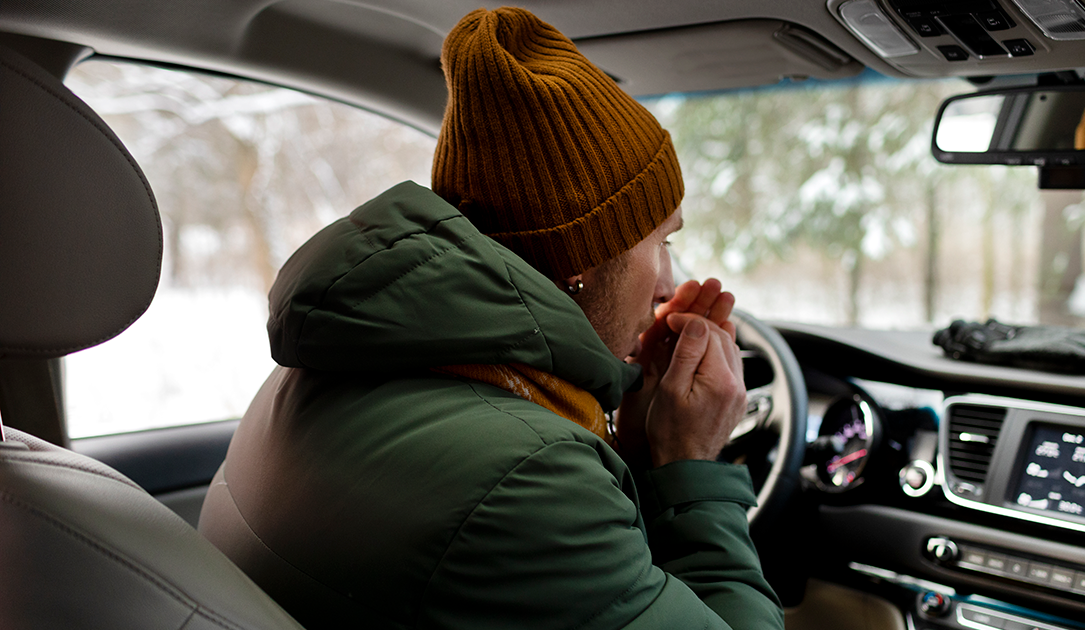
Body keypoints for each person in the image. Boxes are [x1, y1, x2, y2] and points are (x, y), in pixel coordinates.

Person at [198, 6, 784, 629]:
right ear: (583, 256)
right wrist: (690, 465)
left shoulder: (323, 367)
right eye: (661, 242)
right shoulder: (529, 481)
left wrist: (632, 446)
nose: (668, 284)